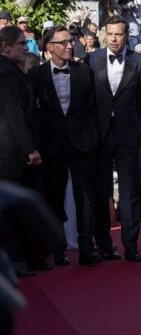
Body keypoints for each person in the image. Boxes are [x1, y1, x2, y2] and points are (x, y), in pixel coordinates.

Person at [27, 26, 101, 266]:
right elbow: (32, 113)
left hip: (82, 144)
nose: (70, 46)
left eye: (71, 42)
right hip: (52, 145)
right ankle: (58, 249)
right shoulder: (36, 75)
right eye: (64, 42)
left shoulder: (84, 72)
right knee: (54, 198)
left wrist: (91, 139)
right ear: (50, 48)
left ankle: (87, 247)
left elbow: (93, 110)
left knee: (85, 198)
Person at [86, 15, 141, 263]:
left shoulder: (140, 62)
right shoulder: (92, 59)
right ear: (105, 34)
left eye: (119, 34)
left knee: (129, 190)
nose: (113, 39)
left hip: (127, 134)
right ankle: (103, 244)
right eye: (110, 34)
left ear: (127, 36)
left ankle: (131, 246)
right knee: (101, 191)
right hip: (99, 136)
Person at [0, 26, 41, 184]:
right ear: (5, 47)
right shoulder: (7, 73)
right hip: (9, 153)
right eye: (21, 44)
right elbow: (14, 113)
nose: (26, 48)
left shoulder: (9, 69)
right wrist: (29, 149)